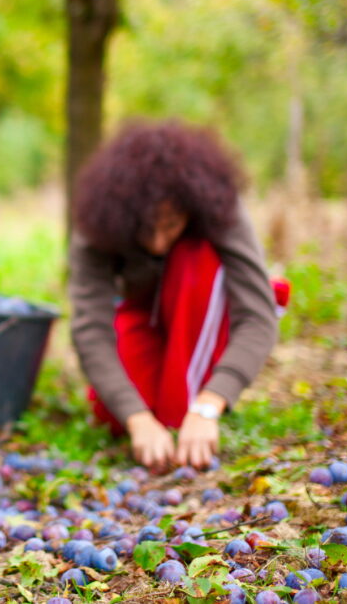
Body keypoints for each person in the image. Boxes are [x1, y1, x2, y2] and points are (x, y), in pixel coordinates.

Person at [68, 120, 286, 471]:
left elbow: (257, 317)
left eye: (170, 226)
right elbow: (90, 328)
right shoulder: (98, 220)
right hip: (142, 311)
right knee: (113, 413)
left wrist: (208, 406)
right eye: (145, 230)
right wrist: (136, 417)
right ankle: (163, 406)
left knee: (193, 257)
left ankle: (187, 404)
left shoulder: (219, 208)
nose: (157, 243)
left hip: (204, 308)